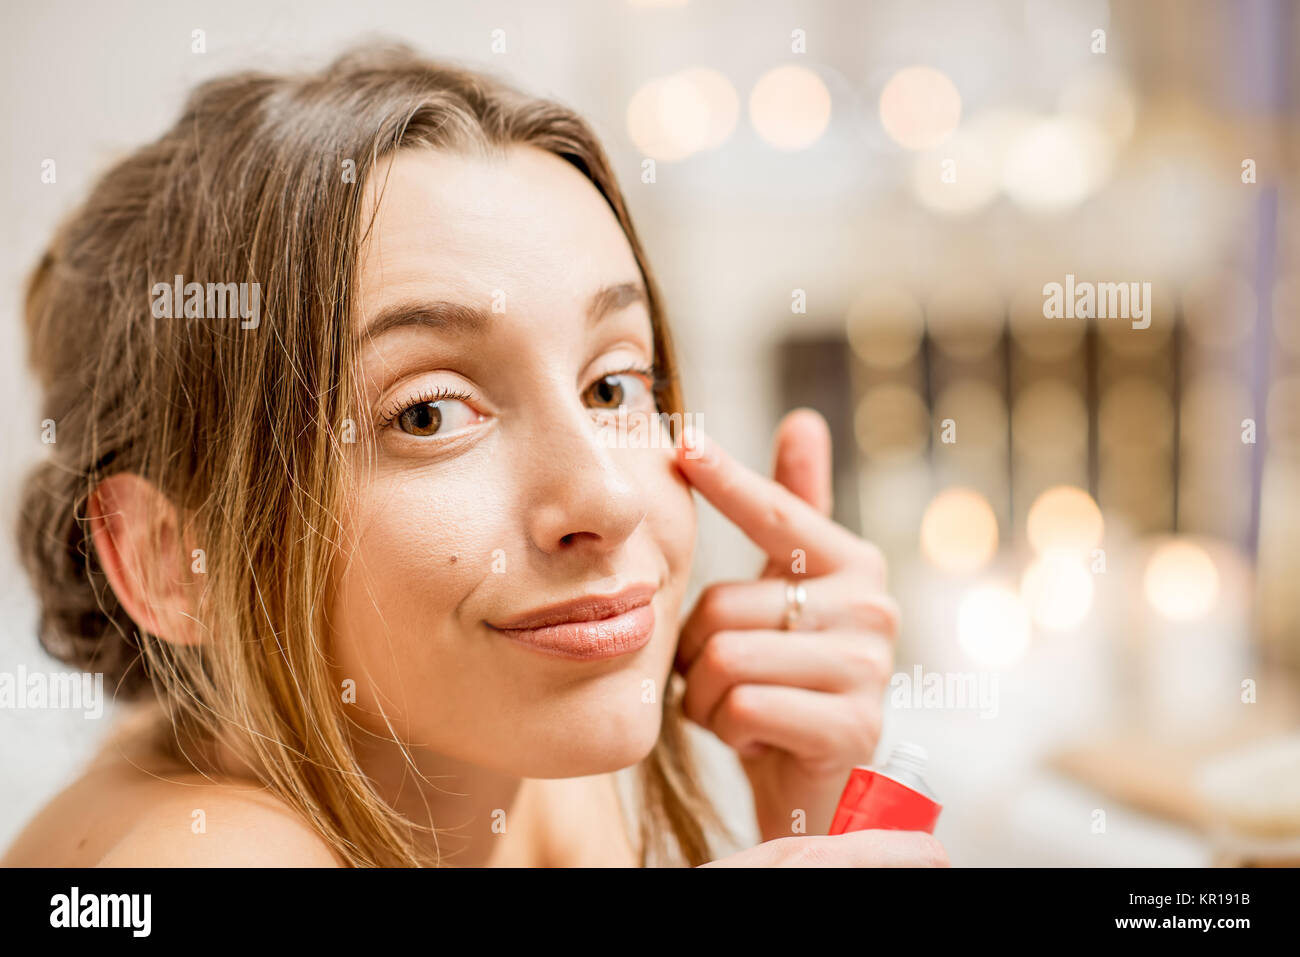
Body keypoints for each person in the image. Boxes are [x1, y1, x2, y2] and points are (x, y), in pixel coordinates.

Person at [4, 44, 947, 868]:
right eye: (426, 414)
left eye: (612, 385)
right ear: (174, 561)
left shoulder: (514, 766)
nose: (607, 500)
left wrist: (821, 810)